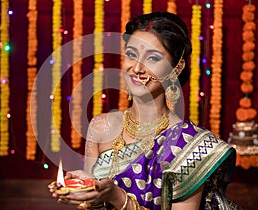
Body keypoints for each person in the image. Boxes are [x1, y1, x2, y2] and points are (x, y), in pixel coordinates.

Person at [50, 11, 240, 210]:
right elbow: (95, 204)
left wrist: (118, 197)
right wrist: (86, 191)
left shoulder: (191, 146)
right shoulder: (101, 126)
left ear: (176, 68)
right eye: (131, 55)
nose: (137, 68)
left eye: (152, 58)